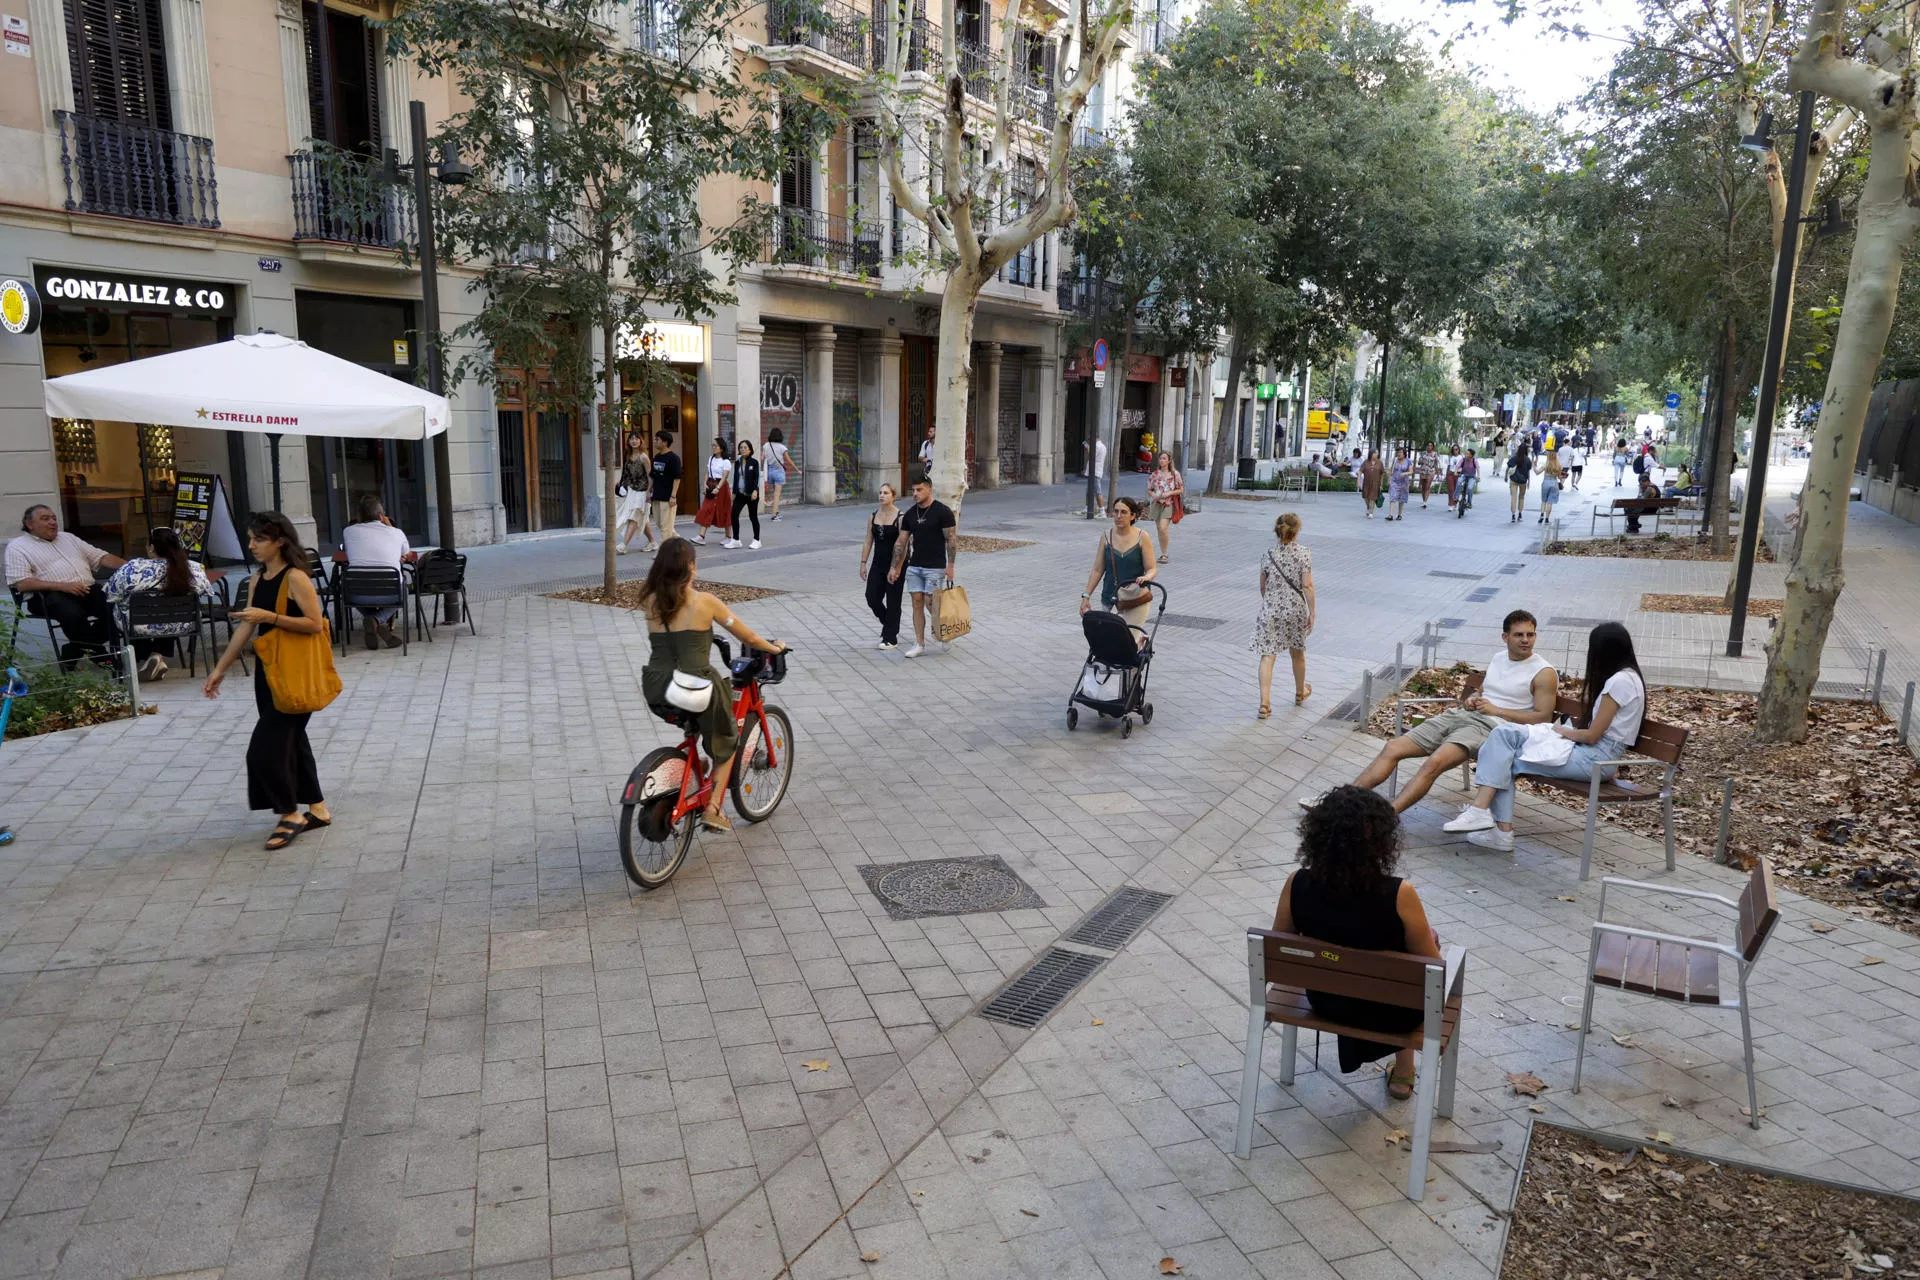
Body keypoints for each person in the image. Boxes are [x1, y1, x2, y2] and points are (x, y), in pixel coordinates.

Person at [1273, 787, 1443, 1099]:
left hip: (1327, 1000)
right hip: (1392, 1014)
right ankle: (1404, 1069)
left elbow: (1282, 949)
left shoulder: (1296, 883)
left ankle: (1398, 1064)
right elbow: (1432, 972)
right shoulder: (1400, 894)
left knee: (1367, 964)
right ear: (1381, 842)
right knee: (1420, 956)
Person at [1303, 609, 1556, 814]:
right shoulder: (1500, 657)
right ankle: (1336, 806)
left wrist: (1497, 710)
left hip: (1494, 730)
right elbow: (1488, 692)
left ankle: (1387, 820)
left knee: (1432, 764)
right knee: (1392, 748)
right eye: (1519, 635)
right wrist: (1474, 700)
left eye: (1531, 635)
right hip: (1464, 716)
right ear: (1505, 637)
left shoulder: (1543, 672)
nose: (1526, 640)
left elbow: (1543, 718)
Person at [1444, 623, 1648, 853]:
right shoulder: (1628, 677)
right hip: (1592, 755)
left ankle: (1497, 830)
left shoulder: (1619, 682)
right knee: (1503, 734)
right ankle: (1481, 815)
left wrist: (1561, 731)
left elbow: (1592, 736)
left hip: (1595, 760)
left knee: (1505, 759)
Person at [202, 512, 332, 851]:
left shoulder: (296, 578)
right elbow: (247, 626)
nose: (251, 546)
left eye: (258, 539)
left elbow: (315, 624)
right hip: (270, 672)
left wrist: (270, 617)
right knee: (293, 740)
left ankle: (289, 813)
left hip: (296, 673)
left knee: (264, 749)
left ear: (280, 541)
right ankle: (317, 808)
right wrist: (219, 670)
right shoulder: (259, 579)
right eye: (250, 538)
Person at [637, 538, 785, 832]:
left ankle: (694, 769)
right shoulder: (705, 602)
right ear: (690, 567)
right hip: (695, 689)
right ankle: (714, 809)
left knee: (699, 725)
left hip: (657, 687)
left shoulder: (651, 602)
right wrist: (775, 648)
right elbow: (750, 638)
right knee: (727, 742)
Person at [5, 504, 126, 666]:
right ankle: (101, 656)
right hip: (47, 596)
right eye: (45, 519)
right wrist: (63, 586)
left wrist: (133, 567)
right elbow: (22, 584)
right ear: (29, 524)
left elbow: (101, 557)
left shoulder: (68, 538)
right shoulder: (17, 547)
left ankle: (73, 649)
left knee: (119, 609)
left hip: (87, 590)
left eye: (54, 518)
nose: (52, 522)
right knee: (72, 613)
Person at [103, 525, 213, 681]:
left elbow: (110, 593)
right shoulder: (193, 568)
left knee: (116, 606)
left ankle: (122, 664)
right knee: (166, 609)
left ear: (152, 548)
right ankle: (155, 656)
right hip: (183, 624)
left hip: (138, 626)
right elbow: (206, 591)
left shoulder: (132, 569)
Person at [1251, 511, 1313, 717]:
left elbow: (1262, 586)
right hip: (1295, 609)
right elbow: (1307, 585)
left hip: (1270, 609)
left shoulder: (1268, 554)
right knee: (1297, 653)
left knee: (1267, 656)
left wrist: (1271, 602)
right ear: (1296, 532)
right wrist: (1312, 612)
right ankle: (1299, 692)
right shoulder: (1304, 553)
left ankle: (1264, 704)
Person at [887, 475, 957, 658]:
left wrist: (951, 566)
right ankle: (919, 644)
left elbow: (951, 540)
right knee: (917, 601)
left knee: (931, 602)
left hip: (935, 566)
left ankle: (944, 630)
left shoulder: (943, 512)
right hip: (915, 566)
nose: (915, 494)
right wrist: (894, 567)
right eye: (914, 490)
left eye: (919, 490)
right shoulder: (910, 514)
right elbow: (901, 543)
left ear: (929, 489)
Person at [1079, 496, 1159, 643]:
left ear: (1133, 516)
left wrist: (1147, 577)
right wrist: (1086, 596)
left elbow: (1152, 568)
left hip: (1135, 598)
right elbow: (1097, 570)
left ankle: (1137, 646)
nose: (1118, 516)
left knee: (1128, 641)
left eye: (1124, 512)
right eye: (1115, 512)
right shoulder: (1106, 536)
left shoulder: (1142, 537)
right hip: (1110, 596)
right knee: (1108, 641)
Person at [341, 495, 415, 649]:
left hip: (356, 595)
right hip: (391, 593)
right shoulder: (397, 533)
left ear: (359, 517)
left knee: (349, 590)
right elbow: (407, 555)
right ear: (382, 516)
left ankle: (371, 619)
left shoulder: (348, 531)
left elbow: (347, 554)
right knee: (405, 590)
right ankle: (377, 619)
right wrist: (390, 527)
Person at [859, 483, 905, 650]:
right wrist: (863, 563)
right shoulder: (873, 516)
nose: (882, 495)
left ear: (893, 495)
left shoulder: (900, 517)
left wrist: (897, 567)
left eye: (886, 493)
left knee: (893, 600)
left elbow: (904, 545)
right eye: (880, 492)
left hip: (896, 563)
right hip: (878, 563)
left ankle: (890, 637)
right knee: (871, 596)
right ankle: (889, 624)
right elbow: (868, 540)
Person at [615, 435, 654, 555]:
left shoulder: (644, 457)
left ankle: (624, 545)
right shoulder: (628, 456)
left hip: (642, 491)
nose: (634, 441)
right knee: (642, 518)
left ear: (641, 441)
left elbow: (650, 476)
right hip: (632, 491)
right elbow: (626, 474)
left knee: (634, 517)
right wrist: (621, 484)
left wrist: (649, 492)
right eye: (631, 439)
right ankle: (652, 542)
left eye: (636, 439)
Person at [1145, 451, 1183, 562]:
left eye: (1164, 458)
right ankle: (1163, 553)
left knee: (1163, 527)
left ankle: (1165, 554)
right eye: (1160, 458)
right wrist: (1154, 495)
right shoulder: (1155, 474)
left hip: (1169, 503)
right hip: (1157, 503)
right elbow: (1149, 489)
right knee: (1159, 529)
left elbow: (1181, 489)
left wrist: (1170, 493)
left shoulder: (1175, 474)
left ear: (1169, 460)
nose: (1161, 460)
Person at [693, 438, 733, 546]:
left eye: (716, 446)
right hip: (711, 485)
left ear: (721, 448)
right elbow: (708, 472)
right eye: (713, 446)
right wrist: (705, 483)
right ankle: (701, 536)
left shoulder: (726, 461)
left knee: (724, 510)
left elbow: (725, 477)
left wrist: (718, 488)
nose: (714, 448)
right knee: (706, 509)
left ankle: (729, 536)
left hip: (721, 487)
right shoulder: (711, 458)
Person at [724, 439, 762, 549]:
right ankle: (736, 540)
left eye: (745, 447)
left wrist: (755, 491)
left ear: (750, 450)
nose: (743, 449)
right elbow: (736, 478)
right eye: (741, 447)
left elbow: (757, 478)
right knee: (734, 515)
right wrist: (734, 493)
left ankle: (757, 540)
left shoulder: (754, 462)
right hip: (740, 494)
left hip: (751, 495)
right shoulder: (738, 462)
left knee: (753, 517)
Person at [650, 431, 682, 543]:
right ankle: (679, 542)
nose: (655, 441)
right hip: (656, 495)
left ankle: (663, 553)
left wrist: (673, 496)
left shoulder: (674, 458)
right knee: (660, 523)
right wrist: (649, 491)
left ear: (664, 442)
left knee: (665, 527)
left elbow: (677, 478)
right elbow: (653, 476)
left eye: (657, 439)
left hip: (668, 497)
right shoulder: (657, 457)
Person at [762, 429, 792, 522]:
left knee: (775, 493)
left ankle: (777, 512)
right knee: (777, 495)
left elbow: (762, 457)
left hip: (770, 471)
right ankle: (774, 515)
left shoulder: (766, 445)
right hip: (779, 471)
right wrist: (797, 469)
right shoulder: (782, 447)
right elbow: (789, 460)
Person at [1507, 442, 1532, 522]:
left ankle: (1513, 515)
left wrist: (1505, 476)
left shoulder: (1514, 458)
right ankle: (1520, 514)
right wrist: (1529, 481)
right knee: (1521, 497)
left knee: (1513, 497)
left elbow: (1508, 467)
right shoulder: (1528, 460)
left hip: (1514, 479)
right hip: (1523, 481)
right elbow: (1528, 471)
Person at [1386, 447, 1412, 521]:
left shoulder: (1408, 461)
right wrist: (1389, 479)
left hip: (1404, 482)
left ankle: (1400, 514)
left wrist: (1405, 473)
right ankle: (1390, 515)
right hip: (1394, 481)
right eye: (1398, 452)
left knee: (1402, 498)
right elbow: (1391, 470)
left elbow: (1411, 471)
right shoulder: (1395, 460)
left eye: (1400, 452)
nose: (1399, 454)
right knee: (1393, 496)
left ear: (1404, 454)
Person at [1537, 454, 1563, 524]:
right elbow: (1560, 476)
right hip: (1554, 483)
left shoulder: (1545, 465)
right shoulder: (1558, 466)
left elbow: (1537, 472)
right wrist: (1561, 483)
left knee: (1543, 501)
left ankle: (1541, 516)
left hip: (1546, 482)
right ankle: (1547, 518)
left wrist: (1534, 467)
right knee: (1550, 502)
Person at [1359, 449, 1384, 519]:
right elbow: (1360, 472)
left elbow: (1382, 474)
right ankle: (1368, 507)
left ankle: (1371, 513)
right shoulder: (1365, 462)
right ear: (1372, 454)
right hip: (1366, 483)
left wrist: (1381, 484)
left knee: (1372, 498)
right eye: (1376, 453)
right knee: (1366, 497)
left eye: (1377, 453)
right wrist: (1358, 482)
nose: (1377, 454)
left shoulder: (1380, 463)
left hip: (1376, 483)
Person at [1089, 434, 1109, 510]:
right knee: (1089, 491)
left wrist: (1088, 448)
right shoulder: (1103, 446)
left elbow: (1092, 456)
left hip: (1095, 471)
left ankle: (1102, 510)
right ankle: (1087, 508)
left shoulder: (1097, 446)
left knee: (1098, 491)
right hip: (1096, 470)